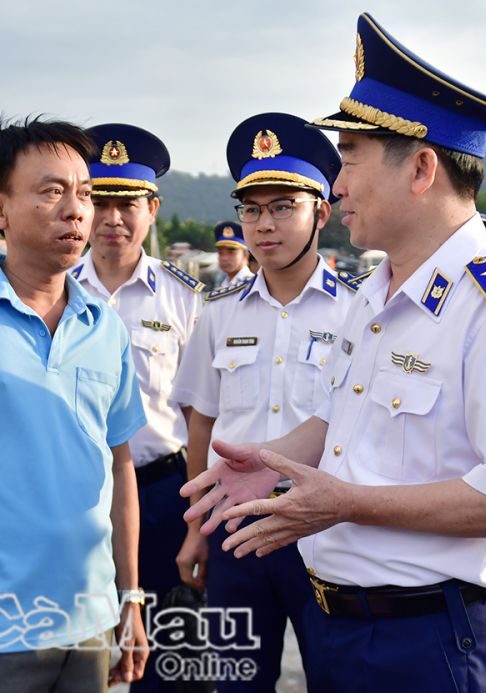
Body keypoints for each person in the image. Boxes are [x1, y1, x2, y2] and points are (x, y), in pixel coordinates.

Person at [181, 13, 486, 692]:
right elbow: (338, 420)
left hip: (430, 641)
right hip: (344, 627)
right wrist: (273, 463)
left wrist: (344, 502)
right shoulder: (376, 294)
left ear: (421, 168)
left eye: (352, 160)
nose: (337, 186)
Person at [0, 117, 148, 692]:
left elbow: (119, 465)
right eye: (51, 192)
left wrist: (130, 597)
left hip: (89, 618)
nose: (77, 210)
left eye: (85, 193)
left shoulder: (105, 328)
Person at [172, 112, 347, 691]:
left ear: (321, 212)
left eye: (282, 207)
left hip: (322, 527)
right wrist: (197, 529)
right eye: (252, 209)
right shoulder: (218, 313)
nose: (263, 224)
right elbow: (202, 422)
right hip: (234, 526)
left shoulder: (358, 310)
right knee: (237, 680)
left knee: (333, 675)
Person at [71, 123, 203, 692]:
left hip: (161, 494)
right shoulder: (58, 290)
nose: (112, 219)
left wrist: (199, 513)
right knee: (78, 655)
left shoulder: (187, 300)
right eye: (99, 202)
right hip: (76, 495)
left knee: (170, 660)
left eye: (126, 204)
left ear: (152, 209)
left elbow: (202, 414)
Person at [212, 221, 254, 288]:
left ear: (245, 255)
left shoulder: (253, 285)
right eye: (220, 253)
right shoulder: (222, 285)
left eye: (231, 252)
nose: (224, 258)